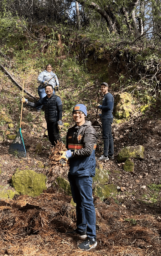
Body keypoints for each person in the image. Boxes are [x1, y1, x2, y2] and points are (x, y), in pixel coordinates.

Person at [60, 104, 97, 251]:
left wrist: (71, 154)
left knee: (87, 203)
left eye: (80, 113)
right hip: (73, 170)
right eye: (75, 113)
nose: (77, 115)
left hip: (84, 171)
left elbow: (88, 150)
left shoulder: (89, 130)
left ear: (85, 114)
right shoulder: (70, 131)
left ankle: (92, 238)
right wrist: (64, 158)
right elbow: (69, 149)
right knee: (78, 201)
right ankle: (81, 230)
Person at [97, 82, 114, 161]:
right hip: (105, 117)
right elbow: (106, 109)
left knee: (106, 136)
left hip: (107, 119)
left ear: (107, 87)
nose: (102, 88)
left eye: (104, 87)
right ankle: (111, 154)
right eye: (101, 87)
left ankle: (105, 155)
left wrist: (100, 106)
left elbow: (109, 107)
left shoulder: (109, 96)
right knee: (109, 136)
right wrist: (101, 115)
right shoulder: (105, 96)